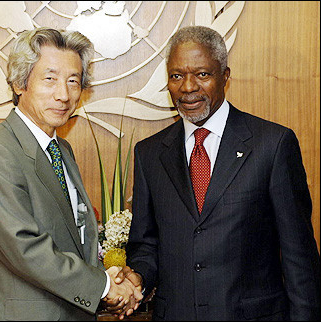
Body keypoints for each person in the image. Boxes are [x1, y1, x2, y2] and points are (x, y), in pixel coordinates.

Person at [113, 26, 320, 320]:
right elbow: (147, 244)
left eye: (202, 74)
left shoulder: (272, 145)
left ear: (225, 76)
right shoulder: (149, 153)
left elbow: (299, 256)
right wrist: (138, 279)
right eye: (176, 76)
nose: (187, 87)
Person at [0, 27, 141, 321]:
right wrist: (103, 287)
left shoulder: (62, 149)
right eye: (49, 79)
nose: (63, 95)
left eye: (73, 81)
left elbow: (73, 239)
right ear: (20, 83)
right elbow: (25, 248)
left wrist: (104, 275)